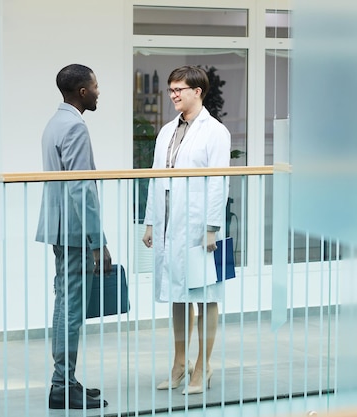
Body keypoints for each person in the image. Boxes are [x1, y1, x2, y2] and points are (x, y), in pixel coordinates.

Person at [142, 65, 230, 395]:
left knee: (205, 296)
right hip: (170, 224)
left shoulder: (215, 132)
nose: (174, 95)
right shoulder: (167, 131)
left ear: (198, 92)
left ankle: (203, 366)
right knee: (178, 296)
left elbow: (220, 182)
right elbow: (155, 178)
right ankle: (180, 363)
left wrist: (211, 228)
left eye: (180, 89)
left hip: (199, 228)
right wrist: (151, 221)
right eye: (171, 89)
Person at [35, 63, 111, 410]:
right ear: (82, 91)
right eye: (95, 87)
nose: (98, 92)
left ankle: (64, 380)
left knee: (64, 303)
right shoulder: (75, 127)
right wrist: (99, 242)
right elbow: (82, 187)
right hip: (76, 229)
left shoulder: (55, 123)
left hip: (59, 225)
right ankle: (62, 384)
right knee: (71, 307)